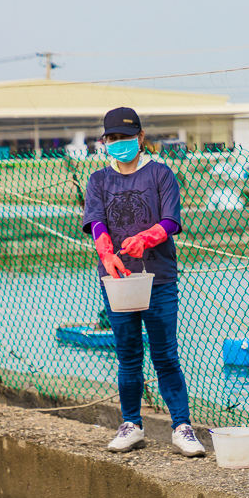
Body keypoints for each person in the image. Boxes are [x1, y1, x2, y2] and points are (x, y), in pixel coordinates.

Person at [82, 106, 206, 458]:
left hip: (159, 277)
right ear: (105, 142)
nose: (120, 143)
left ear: (140, 138)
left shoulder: (161, 174)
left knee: (166, 354)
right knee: (128, 355)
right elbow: (95, 221)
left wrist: (147, 238)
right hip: (117, 280)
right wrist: (106, 250)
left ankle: (182, 427)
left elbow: (171, 221)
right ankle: (131, 424)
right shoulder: (99, 180)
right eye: (113, 138)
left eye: (126, 137)